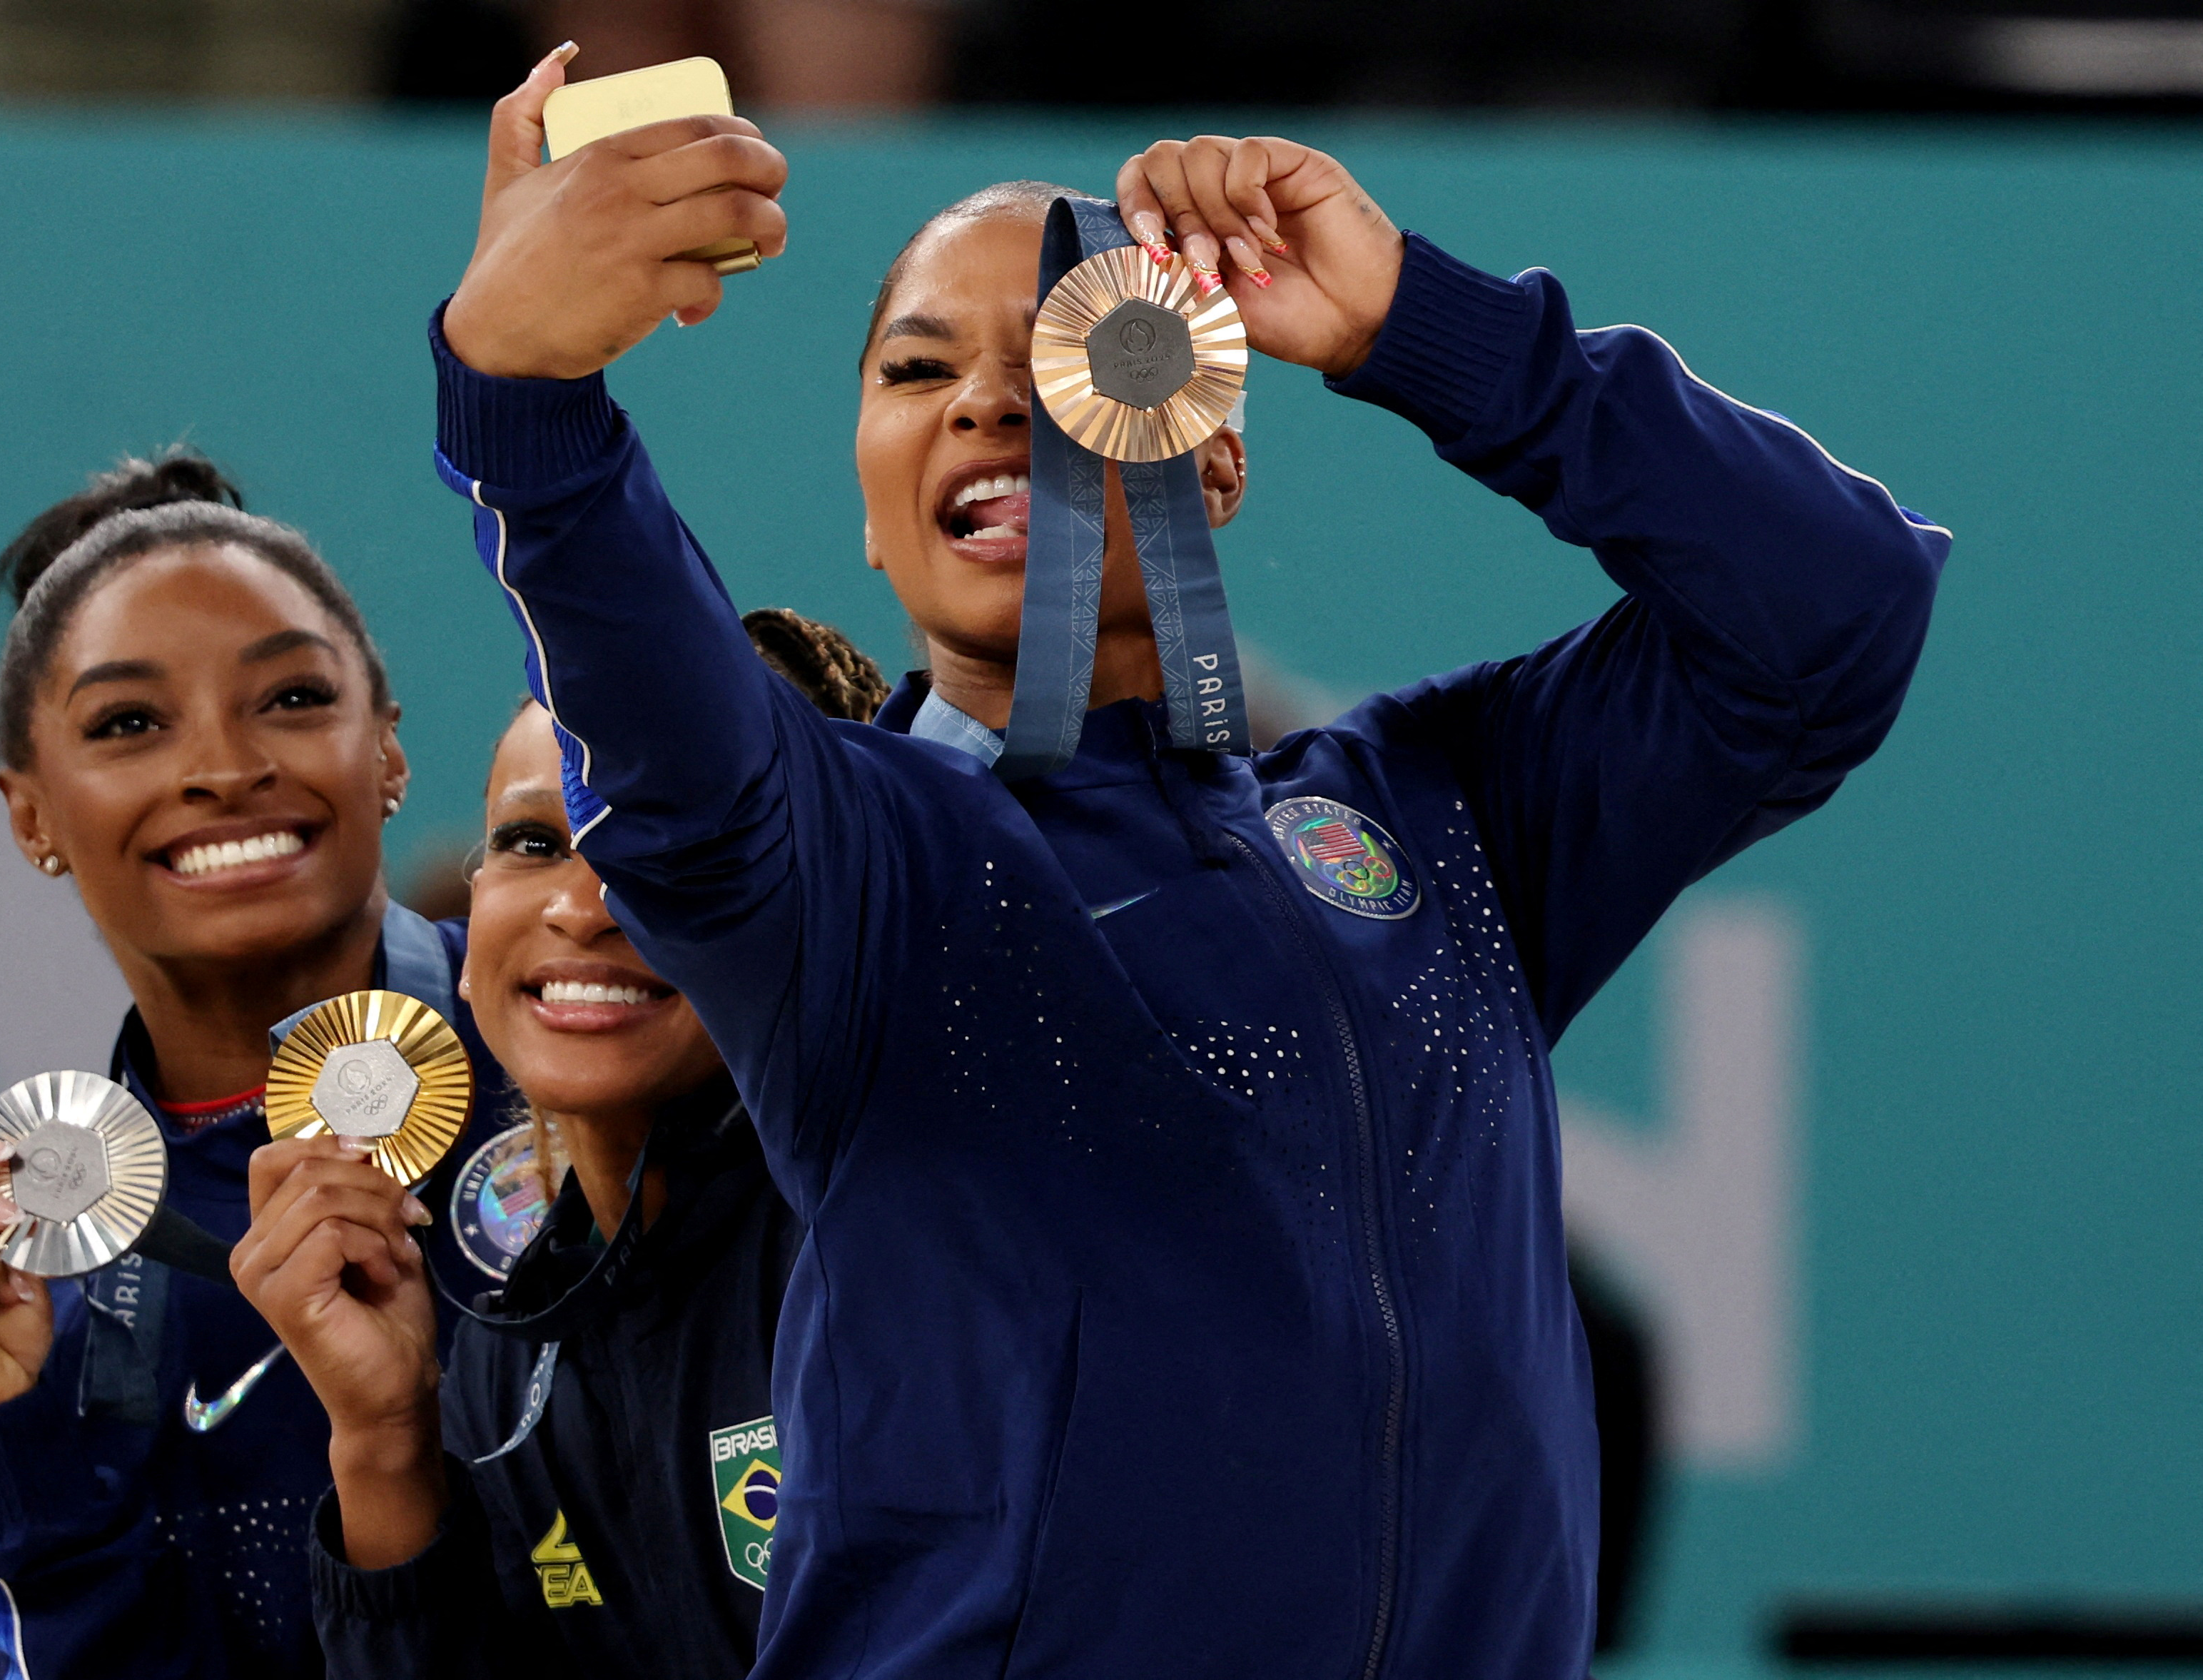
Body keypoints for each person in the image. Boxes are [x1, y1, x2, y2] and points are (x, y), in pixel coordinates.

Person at [425, 52, 1946, 1679]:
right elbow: (654, 714)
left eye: (1073, 353)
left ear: (1213, 459)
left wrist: (1416, 330)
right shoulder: (845, 866)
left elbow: (1832, 610)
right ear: (875, 517)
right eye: (917, 367)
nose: (987, 400)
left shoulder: (1443, 811)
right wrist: (521, 394)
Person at [0, 454, 522, 1679]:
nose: (220, 766)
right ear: (31, 814)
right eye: (128, 724)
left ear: (387, 747)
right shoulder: (30, 1242)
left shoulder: (572, 1047)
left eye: (291, 699)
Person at [230, 611, 886, 1679]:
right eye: (534, 844)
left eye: (673, 844)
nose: (586, 906)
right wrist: (385, 1438)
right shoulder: (504, 1350)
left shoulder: (900, 1253)